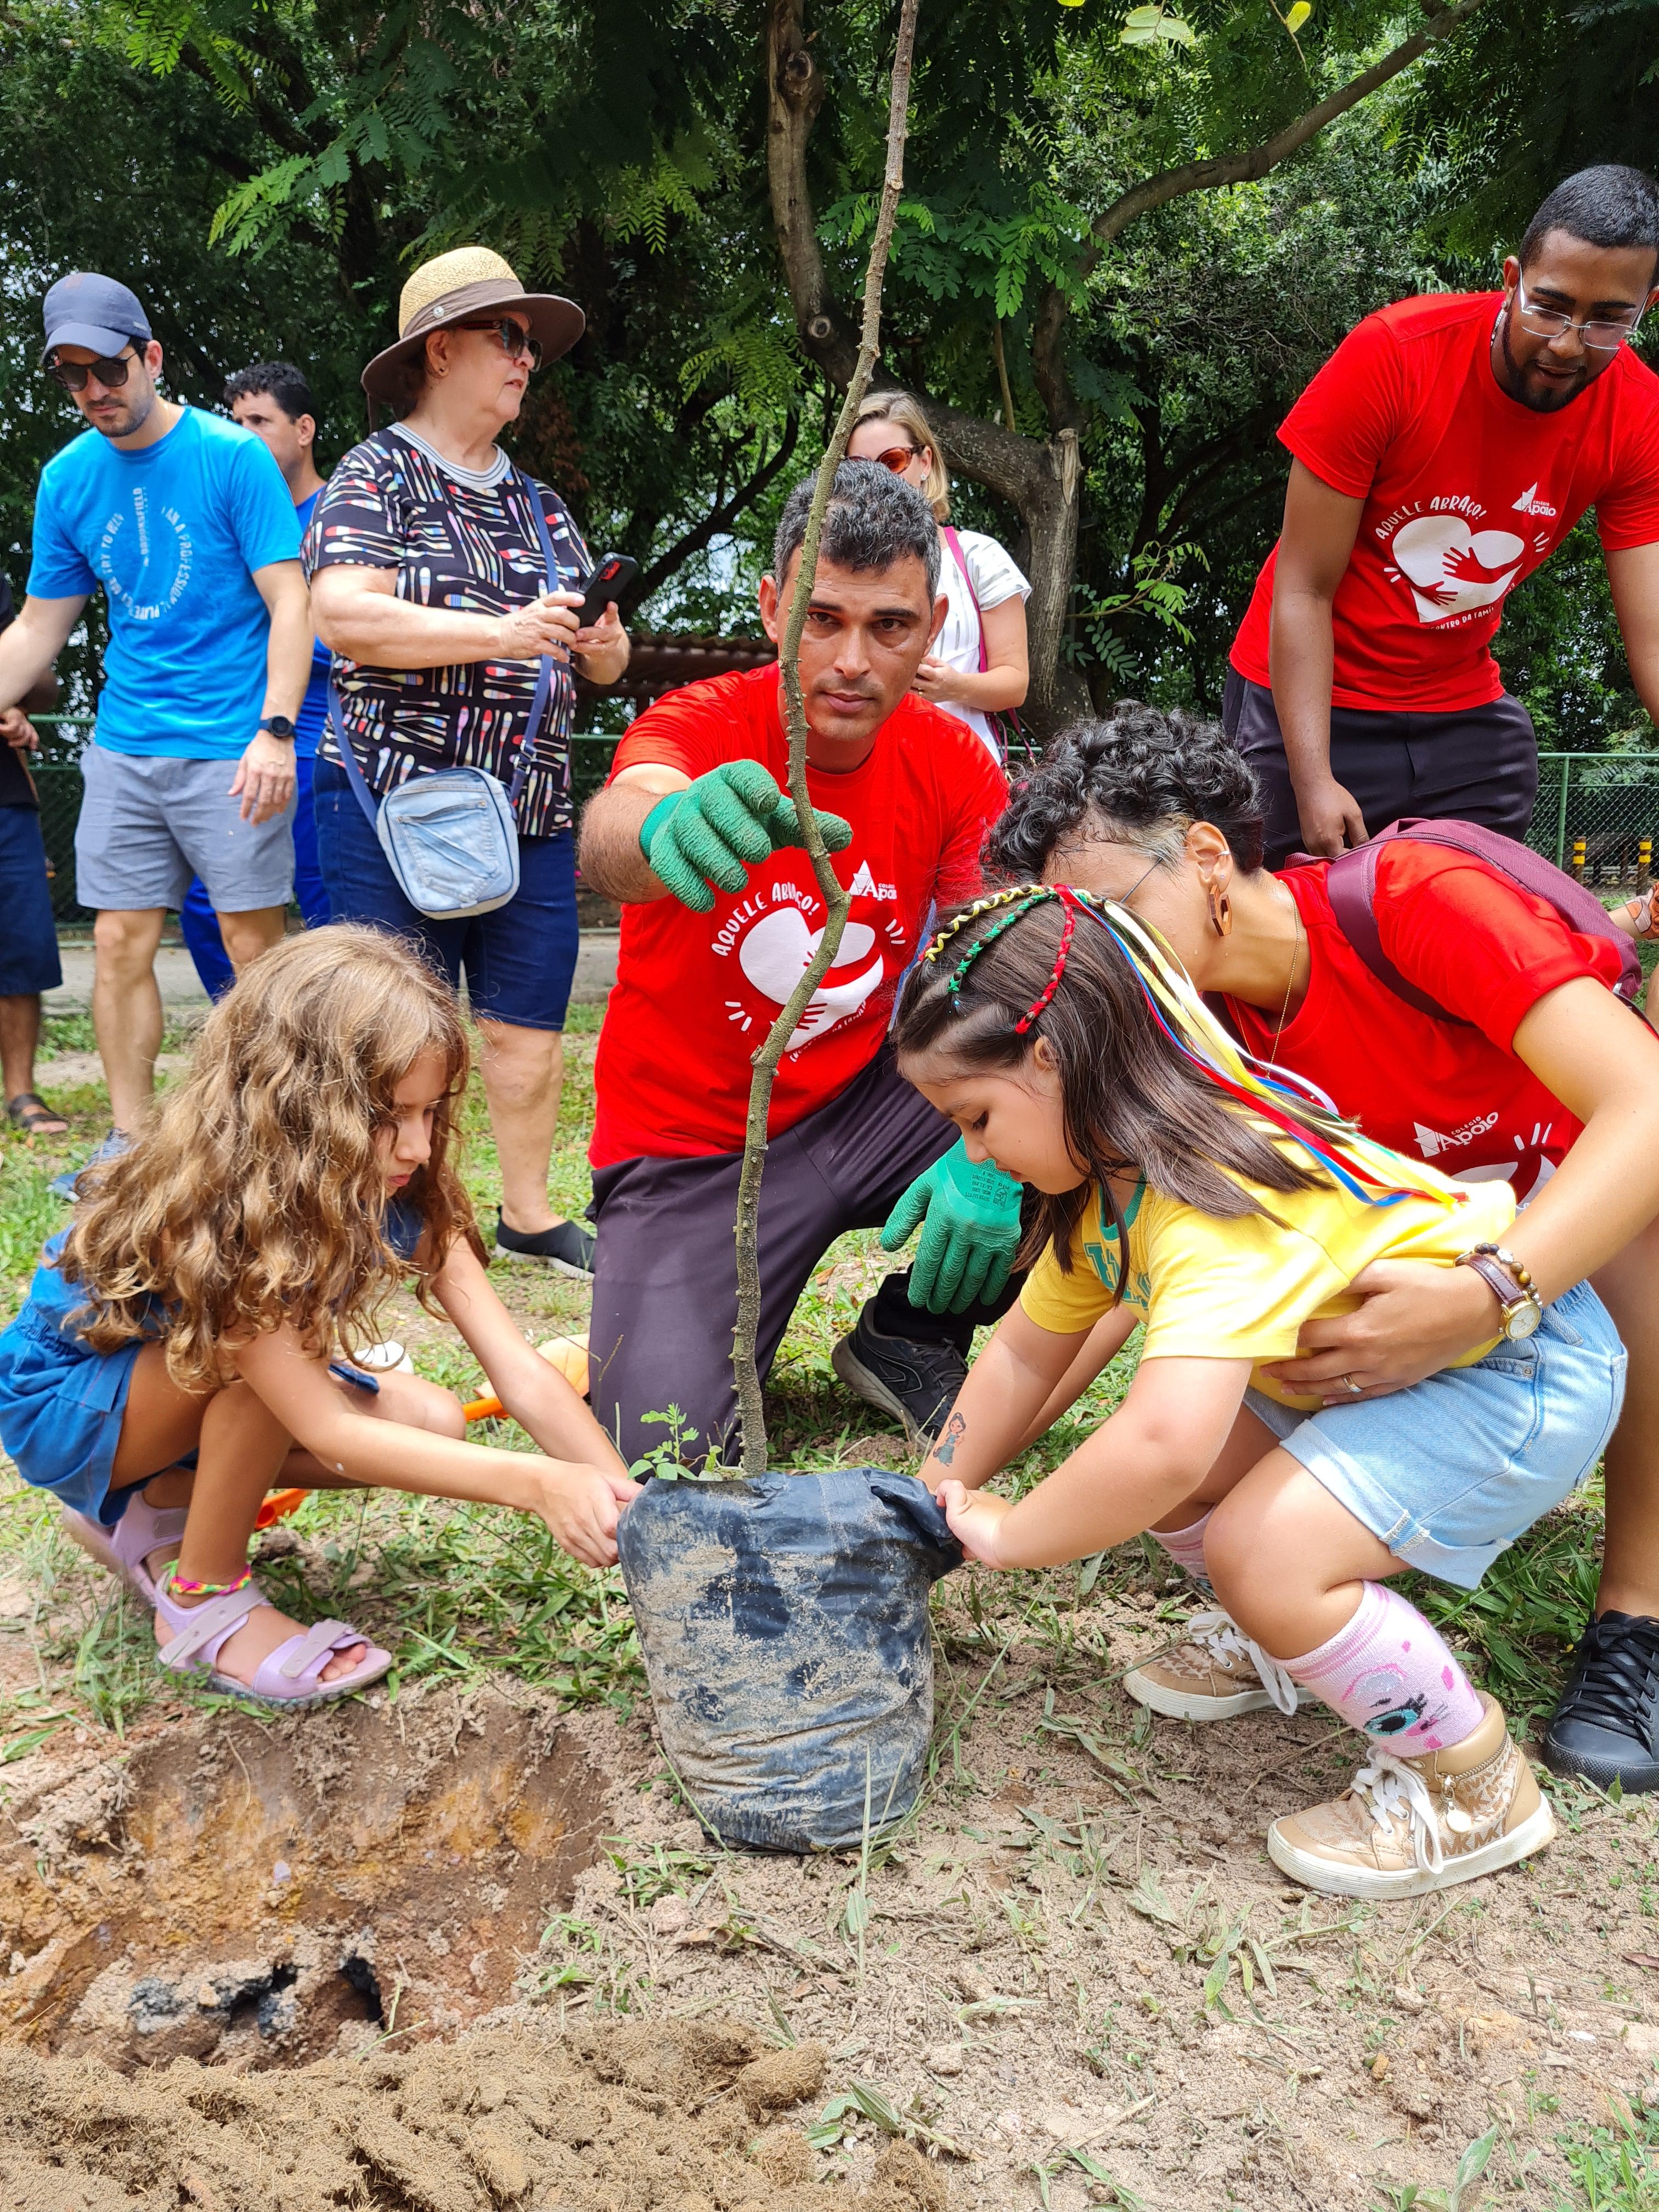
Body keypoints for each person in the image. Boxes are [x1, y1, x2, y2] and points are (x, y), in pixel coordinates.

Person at [897, 887, 1624, 1897]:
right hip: (1384, 1376)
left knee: (1256, 1548)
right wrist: (932, 1489)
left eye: (975, 1118)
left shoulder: (1209, 1201)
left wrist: (1012, 1533)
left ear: (1055, 1056)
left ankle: (1470, 1783)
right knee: (1196, 1502)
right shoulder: (1105, 1190)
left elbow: (1161, 1444)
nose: (973, 1152)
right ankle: (1269, 1638)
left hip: (1516, 1370)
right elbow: (1026, 1352)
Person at [985, 704, 1659, 1791]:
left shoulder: (1411, 904)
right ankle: (1286, 1618)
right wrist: (959, 1477)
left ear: (1207, 857)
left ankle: (1640, 1615)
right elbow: (1112, 1280)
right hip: (1430, 1243)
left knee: (1639, 1244)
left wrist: (1490, 1295)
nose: (1104, 967)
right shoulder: (1191, 1037)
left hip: (1578, 1185)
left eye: (1114, 919)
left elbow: (1647, 1110)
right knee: (1199, 1413)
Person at [0, 927, 638, 1707]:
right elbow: (331, 1433)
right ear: (298, 1106)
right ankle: (200, 1592)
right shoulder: (225, 1213)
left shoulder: (407, 1187)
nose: (417, 1145)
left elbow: (521, 1375)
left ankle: (150, 1503)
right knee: (260, 1370)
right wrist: (538, 1484)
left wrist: (625, 1501)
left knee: (434, 1421)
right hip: (68, 1406)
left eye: (431, 1112)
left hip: (170, 1383)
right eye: (388, 1115)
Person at [575, 461, 1011, 1462]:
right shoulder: (696, 722)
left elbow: (996, 965)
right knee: (662, 1448)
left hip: (866, 1108)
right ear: (771, 606)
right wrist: (662, 829)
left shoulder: (951, 760)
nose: (851, 659)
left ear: (932, 624)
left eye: (888, 626)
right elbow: (617, 822)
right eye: (820, 619)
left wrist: (995, 1154)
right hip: (687, 1152)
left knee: (1080, 1091)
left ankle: (910, 1333)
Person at [307, 247, 627, 1277]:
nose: (526, 358)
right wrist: (498, 631)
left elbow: (599, 647)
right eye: (508, 336)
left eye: (530, 342)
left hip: (527, 803)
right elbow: (343, 616)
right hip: (387, 797)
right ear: (440, 350)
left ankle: (528, 1216)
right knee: (386, 1030)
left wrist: (600, 646)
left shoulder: (539, 502)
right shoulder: (376, 472)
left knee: (527, 1028)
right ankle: (379, 1215)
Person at [1226, 165, 1659, 866]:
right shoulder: (1394, 356)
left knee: (1468, 900)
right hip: (1310, 696)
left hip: (1455, 706)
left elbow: (1655, 642)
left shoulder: (1639, 417)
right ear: (1514, 276)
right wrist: (1313, 781)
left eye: (1609, 319)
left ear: (1646, 307)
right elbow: (1304, 587)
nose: (1568, 343)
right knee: (1279, 938)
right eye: (1549, 306)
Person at [0, 272, 310, 1190]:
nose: (96, 390)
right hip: (126, 743)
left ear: (152, 358)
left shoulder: (231, 456)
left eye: (110, 368)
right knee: (117, 943)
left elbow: (289, 602)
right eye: (74, 377)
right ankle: (130, 1144)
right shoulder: (67, 478)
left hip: (232, 744)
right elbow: (37, 626)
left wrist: (277, 731)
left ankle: (269, 1141)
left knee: (257, 952)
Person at [178, 363, 334, 997]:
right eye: (233, 422)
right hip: (241, 733)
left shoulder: (340, 514)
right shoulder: (226, 512)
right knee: (204, 905)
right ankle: (251, 1044)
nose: (242, 435)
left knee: (333, 909)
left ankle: (349, 1047)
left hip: (324, 730)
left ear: (303, 430)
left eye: (258, 422)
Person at [846, 392, 1030, 763]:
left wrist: (951, 686)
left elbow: (1015, 683)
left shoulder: (979, 557)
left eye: (892, 461)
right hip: (868, 766)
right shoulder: (837, 567)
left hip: (965, 767)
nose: (877, 478)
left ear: (925, 460)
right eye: (859, 465)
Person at [0, 571, 68, 1137]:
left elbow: (43, 682)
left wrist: (14, 697)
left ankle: (21, 1092)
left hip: (5, 796)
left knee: (21, 946)